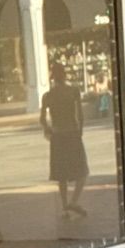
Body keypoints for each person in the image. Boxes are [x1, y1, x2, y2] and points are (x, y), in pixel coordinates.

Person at [39, 63, 91, 221]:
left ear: (53, 76)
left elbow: (42, 119)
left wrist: (48, 129)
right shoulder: (73, 91)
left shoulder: (48, 96)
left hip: (57, 135)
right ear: (65, 74)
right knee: (82, 170)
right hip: (72, 133)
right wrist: (80, 130)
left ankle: (64, 207)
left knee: (61, 174)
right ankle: (73, 202)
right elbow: (80, 115)